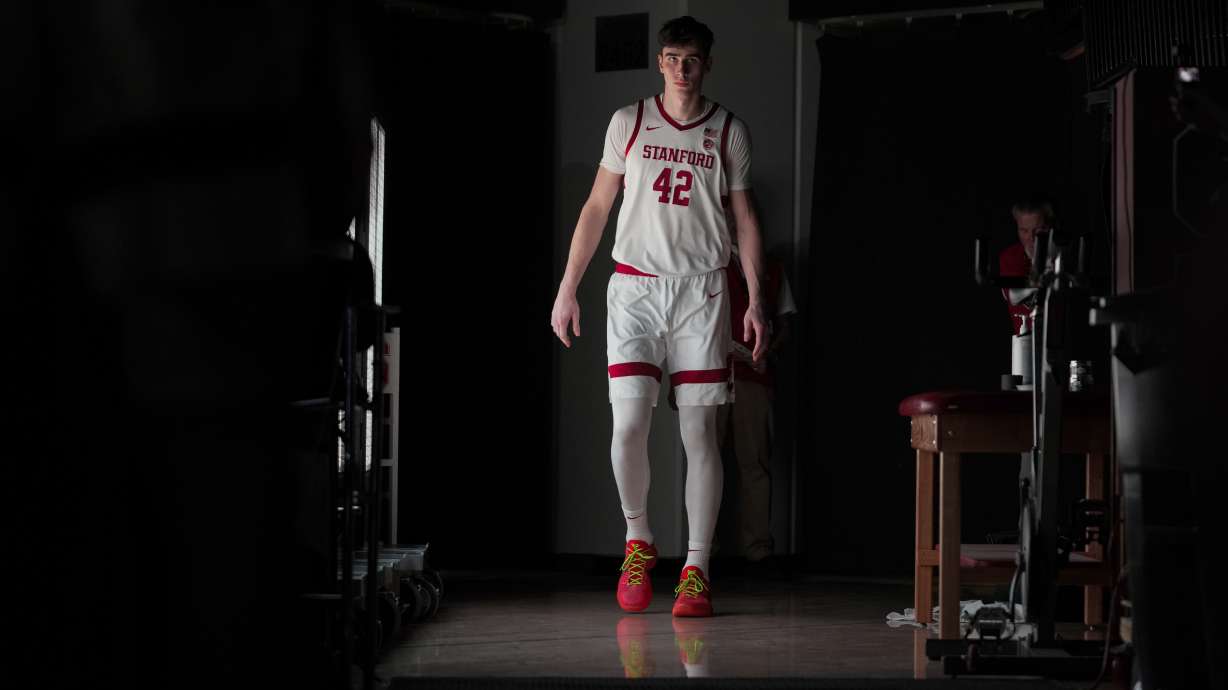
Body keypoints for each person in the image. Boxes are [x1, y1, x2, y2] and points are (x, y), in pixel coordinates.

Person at [550, 15, 767, 618]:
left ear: (707, 63)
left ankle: (696, 566)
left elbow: (745, 219)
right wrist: (568, 287)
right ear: (659, 61)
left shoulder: (728, 131)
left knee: (699, 434)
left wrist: (755, 298)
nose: (681, 68)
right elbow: (597, 207)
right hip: (636, 289)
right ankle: (638, 540)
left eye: (691, 58)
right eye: (671, 57)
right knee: (627, 429)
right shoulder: (630, 121)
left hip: (702, 292)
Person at [716, 237, 796, 576]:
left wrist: (768, 353)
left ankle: (757, 551)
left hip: (754, 375)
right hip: (711, 375)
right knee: (706, 462)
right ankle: (704, 550)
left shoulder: (772, 267)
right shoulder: (708, 259)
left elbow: (785, 324)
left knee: (756, 462)